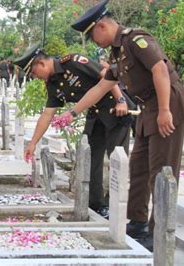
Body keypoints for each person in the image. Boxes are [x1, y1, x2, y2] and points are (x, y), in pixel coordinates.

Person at [62, 0, 184, 250]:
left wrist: (166, 110)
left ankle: (158, 233)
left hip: (166, 105)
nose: (94, 42)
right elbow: (102, 87)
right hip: (148, 109)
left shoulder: (136, 40)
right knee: (139, 169)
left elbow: (160, 70)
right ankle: (137, 221)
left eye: (92, 36)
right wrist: (71, 112)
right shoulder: (117, 53)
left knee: (162, 171)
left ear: (101, 26)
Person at [14, 43, 133, 218]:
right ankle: (95, 204)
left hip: (115, 110)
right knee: (90, 158)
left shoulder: (74, 62)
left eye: (33, 73)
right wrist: (32, 144)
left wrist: (121, 100)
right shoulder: (53, 84)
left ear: (41, 64)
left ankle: (114, 206)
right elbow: (47, 115)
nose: (35, 77)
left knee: (116, 158)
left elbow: (107, 77)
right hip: (96, 115)